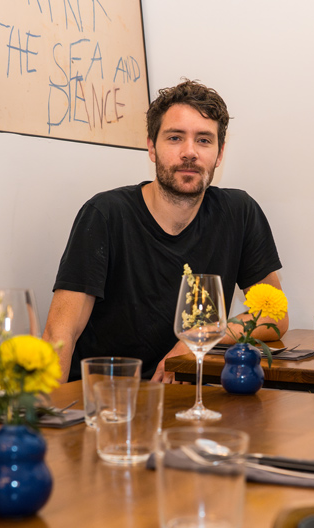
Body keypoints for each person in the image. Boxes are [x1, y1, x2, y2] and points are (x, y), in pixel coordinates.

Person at [43, 79, 288, 383]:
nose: (190, 152)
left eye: (204, 140)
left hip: (189, 403)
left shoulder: (239, 212)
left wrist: (198, 337)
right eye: (175, 138)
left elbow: (275, 314)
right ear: (151, 147)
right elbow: (60, 333)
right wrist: (47, 420)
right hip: (112, 404)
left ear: (220, 154)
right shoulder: (105, 214)